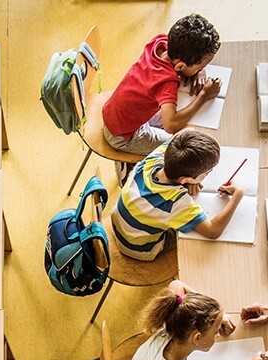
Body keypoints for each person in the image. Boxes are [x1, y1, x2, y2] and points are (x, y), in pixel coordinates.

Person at [127, 280, 268, 360]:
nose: (218, 334)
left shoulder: (174, 319)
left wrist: (216, 316)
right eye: (215, 332)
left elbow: (176, 284)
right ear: (196, 338)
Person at [101, 13, 222, 156]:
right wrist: (203, 95)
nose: (201, 70)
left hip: (116, 113)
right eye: (200, 67)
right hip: (123, 136)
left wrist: (197, 71)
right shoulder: (166, 82)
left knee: (183, 122)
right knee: (181, 146)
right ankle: (128, 168)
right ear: (180, 67)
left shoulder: (160, 42)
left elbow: (180, 64)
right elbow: (170, 125)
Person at [113, 131, 243, 261]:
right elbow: (213, 231)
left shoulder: (153, 160)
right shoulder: (176, 202)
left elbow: (185, 131)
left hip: (120, 227)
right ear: (185, 179)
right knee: (191, 239)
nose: (207, 175)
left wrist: (191, 181)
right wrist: (238, 195)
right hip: (139, 248)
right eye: (206, 173)